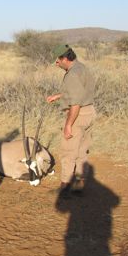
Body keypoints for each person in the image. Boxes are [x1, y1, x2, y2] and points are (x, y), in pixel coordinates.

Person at [46, 43, 96, 197]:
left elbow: (75, 103)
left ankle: (64, 187)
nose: (57, 62)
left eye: (58, 59)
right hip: (90, 112)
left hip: (78, 115)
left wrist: (68, 125)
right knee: (82, 149)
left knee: (68, 151)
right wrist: (59, 96)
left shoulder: (72, 74)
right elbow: (79, 91)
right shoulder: (81, 68)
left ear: (65, 58)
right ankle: (80, 183)